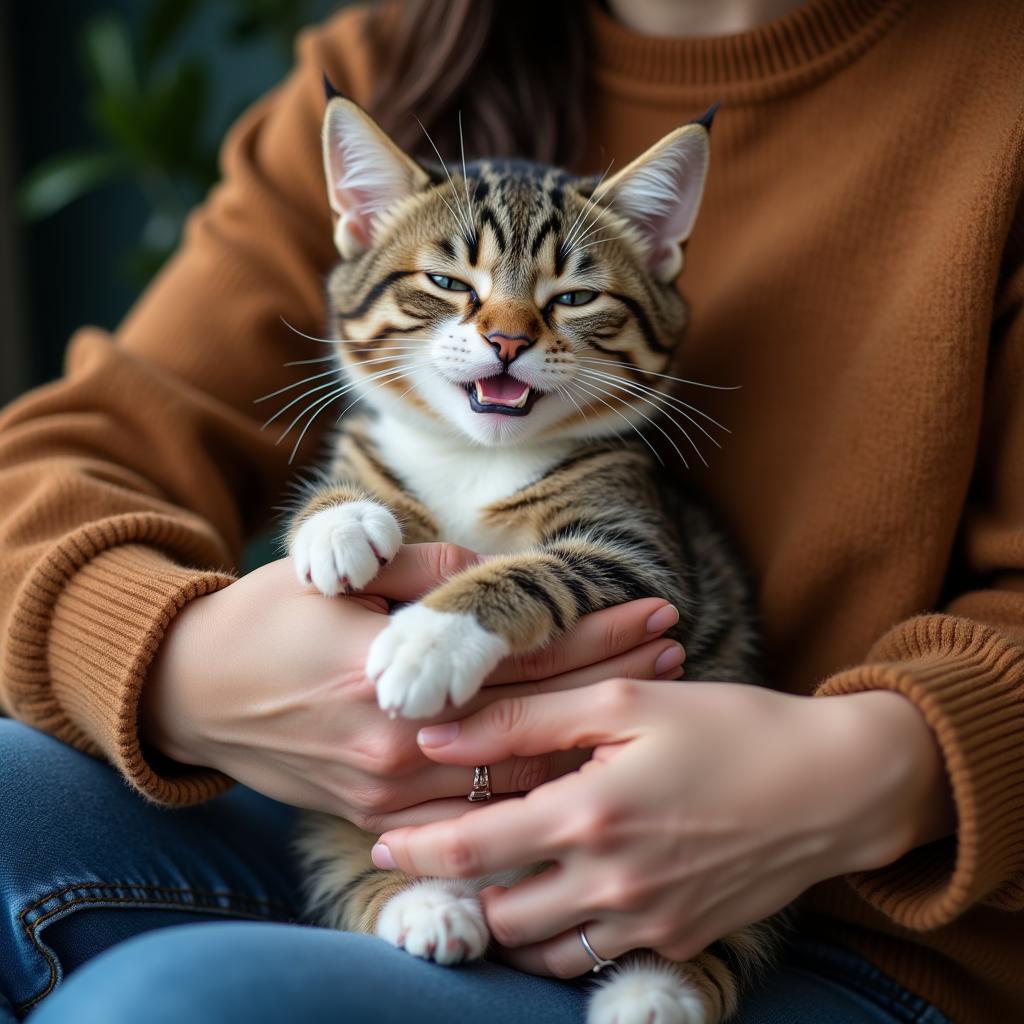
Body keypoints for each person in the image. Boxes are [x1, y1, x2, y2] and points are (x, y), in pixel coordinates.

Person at [1, 0, 1021, 1021]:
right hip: (391, 846)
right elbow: (51, 465)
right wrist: (189, 664)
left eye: (568, 302)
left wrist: (871, 773)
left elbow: (626, 570)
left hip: (813, 915)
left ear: (661, 252)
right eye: (450, 288)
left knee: (172, 1002)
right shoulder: (406, 48)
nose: (503, 334)